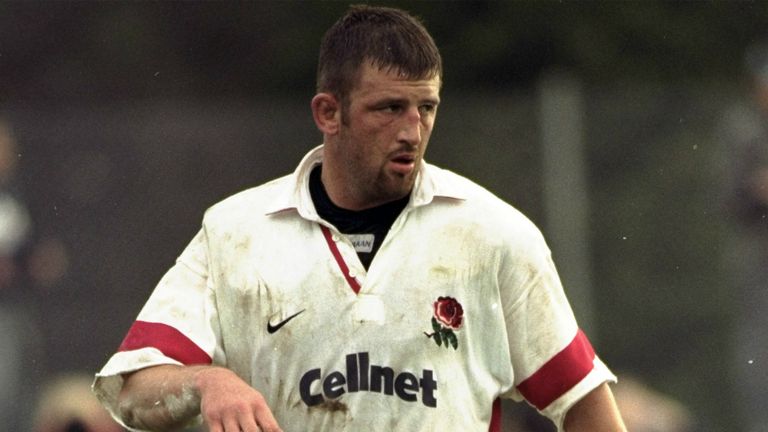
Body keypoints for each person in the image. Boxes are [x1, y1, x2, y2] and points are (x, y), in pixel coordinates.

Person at [93, 5, 626, 431]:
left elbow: (582, 402)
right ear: (328, 113)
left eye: (427, 107)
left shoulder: (493, 235)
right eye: (390, 107)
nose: (413, 130)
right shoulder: (237, 232)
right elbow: (134, 389)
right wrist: (210, 383)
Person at [720, 39, 768, 432]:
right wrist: (756, 189)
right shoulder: (743, 129)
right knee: (758, 352)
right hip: (758, 259)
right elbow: (725, 198)